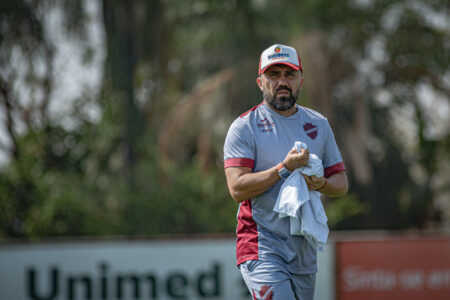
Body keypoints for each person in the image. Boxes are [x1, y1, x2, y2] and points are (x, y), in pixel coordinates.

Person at [223, 44, 348, 300]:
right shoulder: (244, 127)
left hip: (304, 249)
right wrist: (284, 168)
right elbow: (236, 188)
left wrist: (320, 183)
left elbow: (341, 183)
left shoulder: (318, 124)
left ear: (301, 79)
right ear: (260, 82)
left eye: (289, 74)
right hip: (262, 246)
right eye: (273, 74)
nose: (282, 81)